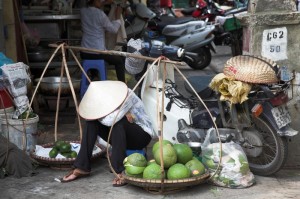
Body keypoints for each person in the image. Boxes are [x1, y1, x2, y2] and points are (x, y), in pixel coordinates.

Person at [60, 81, 155, 186]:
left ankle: (120, 170)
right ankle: (82, 166)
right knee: (91, 122)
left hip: (142, 135)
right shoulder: (105, 101)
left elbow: (111, 120)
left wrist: (110, 114)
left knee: (118, 122)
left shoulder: (127, 94)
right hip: (121, 135)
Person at [80, 0, 126, 82]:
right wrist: (118, 16)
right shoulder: (100, 14)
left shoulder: (83, 11)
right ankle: (122, 86)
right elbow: (113, 29)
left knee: (95, 58)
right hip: (98, 53)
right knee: (119, 61)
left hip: (84, 52)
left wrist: (104, 3)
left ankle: (94, 76)